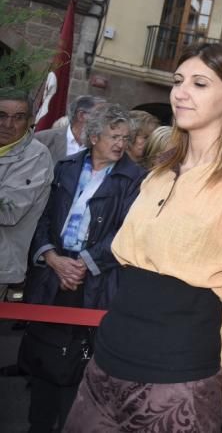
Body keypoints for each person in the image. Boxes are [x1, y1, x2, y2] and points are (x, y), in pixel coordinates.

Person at [61, 43, 222, 431]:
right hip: (105, 367)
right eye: (178, 81)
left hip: (179, 382)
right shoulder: (158, 176)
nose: (180, 92)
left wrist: (216, 389)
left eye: (199, 84)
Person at [22, 103, 142, 433]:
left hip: (96, 283)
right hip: (53, 274)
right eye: (113, 136)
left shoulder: (134, 179)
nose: (120, 143)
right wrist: (51, 257)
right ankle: (39, 424)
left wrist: (84, 264)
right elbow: (41, 216)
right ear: (92, 137)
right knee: (44, 355)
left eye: (126, 137)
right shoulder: (65, 167)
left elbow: (128, 232)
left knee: (82, 362)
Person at [0, 89, 53, 303]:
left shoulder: (36, 156)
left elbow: (8, 211)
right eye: (1, 115)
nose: (8, 124)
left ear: (30, 121)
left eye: (18, 117)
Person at [34, 95, 104, 166]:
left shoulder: (103, 145)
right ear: (81, 115)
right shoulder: (43, 140)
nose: (105, 120)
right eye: (99, 114)